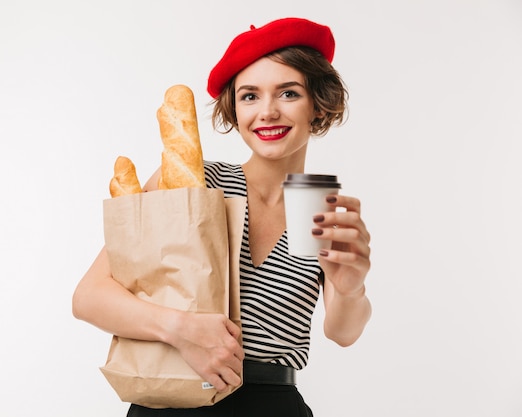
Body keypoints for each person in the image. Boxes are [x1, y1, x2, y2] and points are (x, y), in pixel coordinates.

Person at [73, 17, 372, 417]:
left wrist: (350, 287)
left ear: (317, 103)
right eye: (249, 96)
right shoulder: (192, 181)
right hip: (172, 400)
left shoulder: (318, 205)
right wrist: (181, 329)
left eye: (288, 93)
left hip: (272, 405)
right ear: (234, 109)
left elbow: (343, 332)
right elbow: (89, 297)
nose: (267, 112)